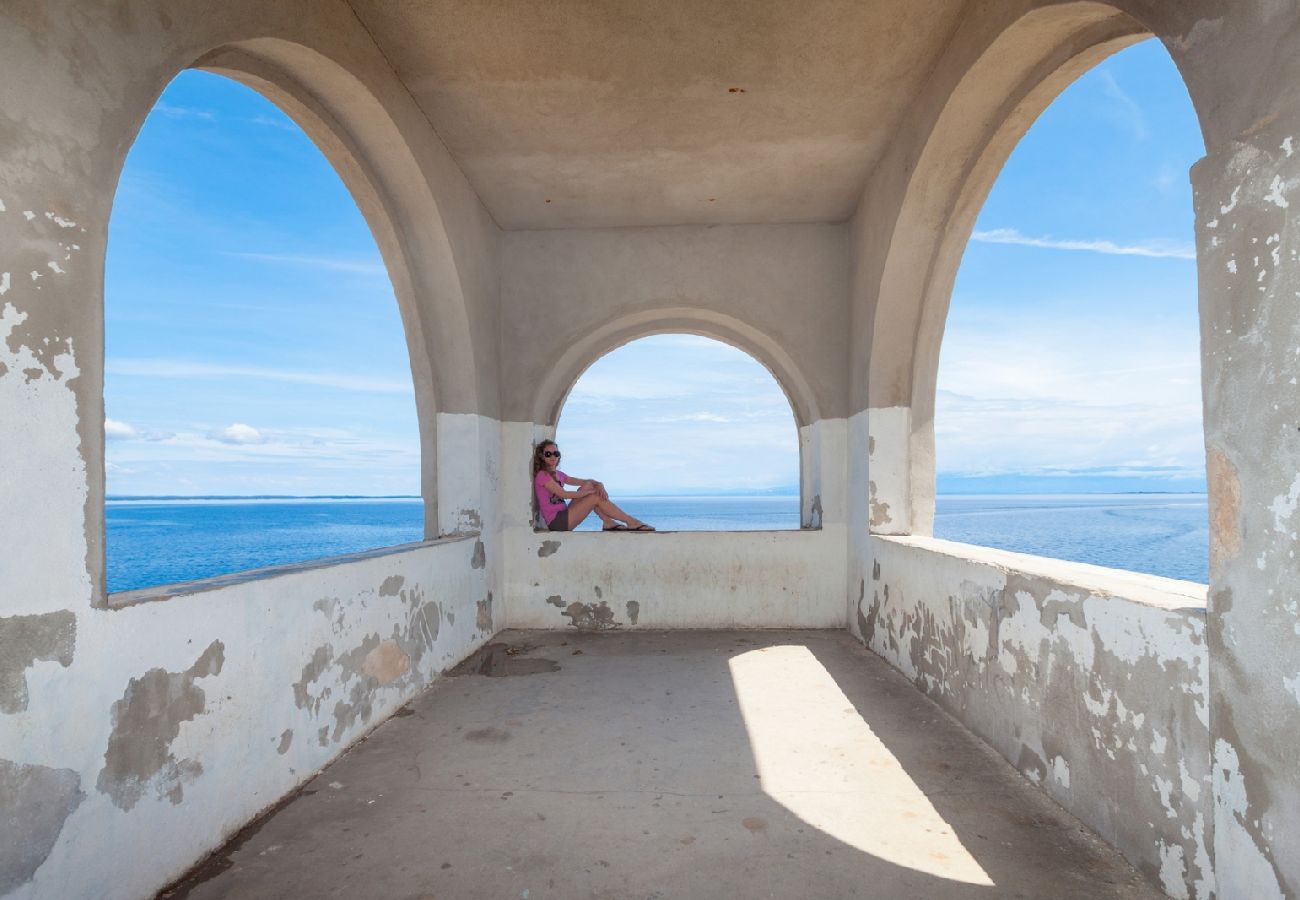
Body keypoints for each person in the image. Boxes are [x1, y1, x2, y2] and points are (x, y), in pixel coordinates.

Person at [532, 440, 654, 532]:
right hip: (557, 523)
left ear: (559, 455)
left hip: (565, 514)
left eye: (555, 453)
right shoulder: (542, 475)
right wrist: (590, 494)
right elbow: (564, 494)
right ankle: (631, 521)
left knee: (589, 485)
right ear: (542, 457)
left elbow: (585, 482)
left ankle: (608, 522)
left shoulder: (559, 474)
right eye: (548, 454)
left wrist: (599, 484)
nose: (553, 456)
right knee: (594, 497)